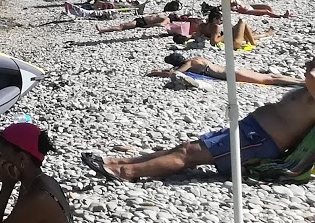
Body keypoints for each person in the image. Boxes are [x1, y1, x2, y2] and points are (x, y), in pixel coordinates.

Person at [87, 54, 315, 181]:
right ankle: (119, 162)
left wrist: (312, 67)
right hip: (251, 130)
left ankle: (125, 173)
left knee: (189, 154)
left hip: (258, 141)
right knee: (186, 146)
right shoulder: (306, 89)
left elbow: (312, 77)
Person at [146, 52, 302, 88]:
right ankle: (301, 81)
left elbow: (177, 73)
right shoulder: (197, 58)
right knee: (269, 76)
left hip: (231, 74)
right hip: (233, 69)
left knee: (268, 80)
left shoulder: (190, 63)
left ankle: (302, 83)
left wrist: (159, 73)